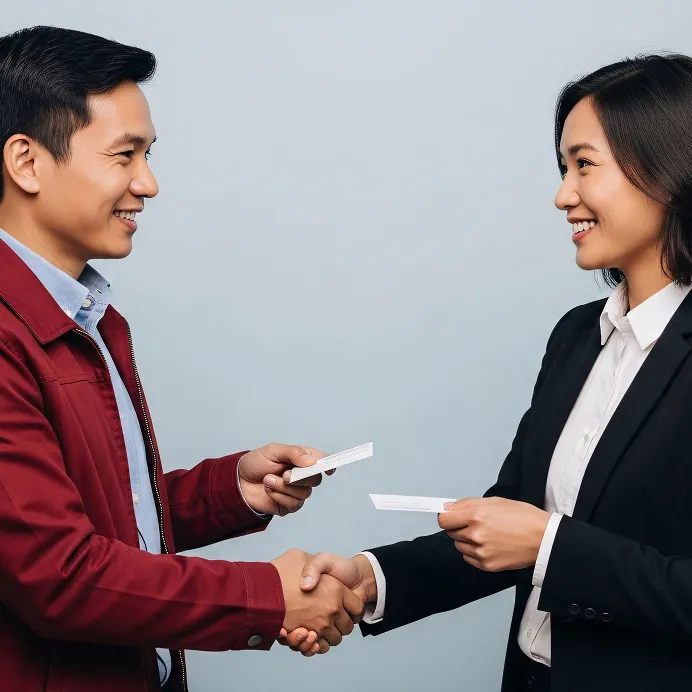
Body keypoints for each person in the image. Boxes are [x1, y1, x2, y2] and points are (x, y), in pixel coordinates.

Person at [281, 53, 692, 691]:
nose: (563, 195)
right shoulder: (577, 336)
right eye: (563, 168)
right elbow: (510, 523)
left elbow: (538, 540)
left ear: (668, 167)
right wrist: (370, 579)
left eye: (585, 164)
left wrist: (550, 546)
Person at [0, 26, 363, 692]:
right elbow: (60, 572)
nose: (149, 183)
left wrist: (234, 491)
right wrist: (268, 595)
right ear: (26, 162)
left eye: (149, 154)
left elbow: (95, 516)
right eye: (125, 155)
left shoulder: (89, 319)